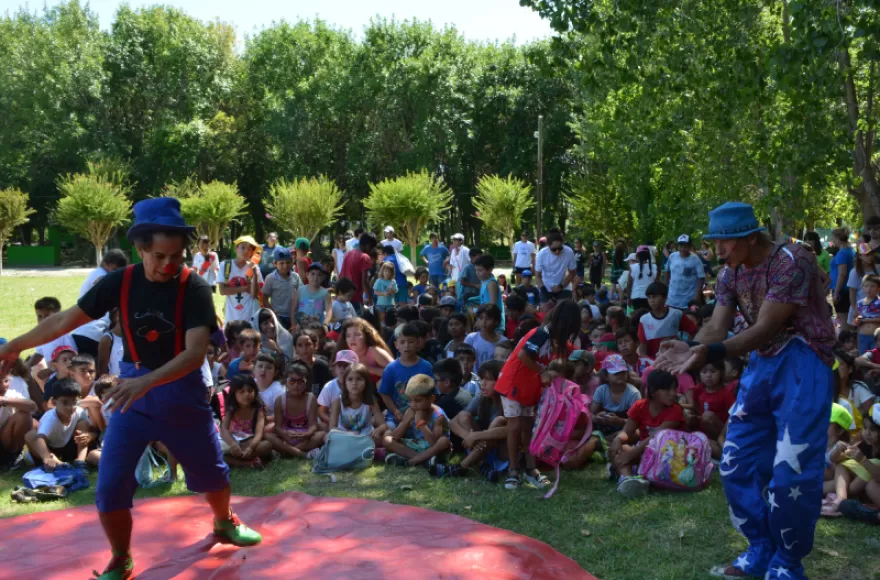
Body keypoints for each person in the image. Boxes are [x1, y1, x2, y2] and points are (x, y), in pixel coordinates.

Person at [655, 202, 835, 580]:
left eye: (725, 242)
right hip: (763, 365)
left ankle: (787, 562)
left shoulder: (791, 260)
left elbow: (766, 327)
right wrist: (689, 345)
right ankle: (760, 547)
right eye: (714, 242)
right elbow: (717, 328)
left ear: (752, 238)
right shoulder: (729, 274)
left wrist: (712, 351)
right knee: (736, 463)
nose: (717, 250)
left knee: (792, 472)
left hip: (805, 362)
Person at [494, 300, 580, 490]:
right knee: (515, 426)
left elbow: (575, 353)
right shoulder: (541, 334)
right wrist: (543, 373)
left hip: (528, 386)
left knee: (528, 426)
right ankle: (513, 470)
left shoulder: (554, 339)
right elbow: (523, 356)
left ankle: (531, 469)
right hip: (513, 383)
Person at [608, 369, 684, 498]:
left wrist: (631, 454)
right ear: (653, 391)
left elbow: (656, 437)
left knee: (625, 454)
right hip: (644, 452)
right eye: (667, 389)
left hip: (668, 455)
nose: (673, 394)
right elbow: (627, 431)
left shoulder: (675, 410)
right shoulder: (639, 406)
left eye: (674, 389)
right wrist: (618, 440)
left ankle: (623, 469)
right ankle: (628, 481)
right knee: (618, 449)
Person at [24, 377, 99, 471]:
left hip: (69, 446)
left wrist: (89, 436)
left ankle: (80, 461)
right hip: (49, 448)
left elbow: (94, 432)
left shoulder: (80, 412)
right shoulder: (50, 418)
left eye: (74, 402)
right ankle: (56, 463)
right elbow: (40, 438)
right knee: (30, 435)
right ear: (54, 402)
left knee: (82, 424)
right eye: (65, 402)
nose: (70, 407)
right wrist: (47, 457)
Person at [383, 374, 451, 467]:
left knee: (443, 441)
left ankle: (411, 461)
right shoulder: (410, 410)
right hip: (418, 445)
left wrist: (421, 423)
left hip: (435, 450)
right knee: (387, 439)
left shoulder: (438, 416)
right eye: (410, 400)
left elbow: (434, 443)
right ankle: (423, 460)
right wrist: (406, 421)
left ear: (431, 399)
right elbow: (395, 437)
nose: (413, 404)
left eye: (417, 401)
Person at [72, 250, 130, 357]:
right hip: (92, 330)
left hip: (85, 328)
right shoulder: (101, 275)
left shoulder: (99, 273)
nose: (116, 274)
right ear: (106, 264)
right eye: (114, 269)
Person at [378, 323, 434, 430]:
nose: (407, 346)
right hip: (396, 417)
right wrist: (395, 411)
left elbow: (432, 394)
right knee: (387, 438)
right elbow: (385, 394)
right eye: (402, 342)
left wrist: (420, 412)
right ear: (396, 345)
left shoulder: (426, 367)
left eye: (411, 341)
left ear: (418, 342)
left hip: (421, 415)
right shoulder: (391, 369)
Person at [219, 375, 273, 470]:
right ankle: (247, 463)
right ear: (234, 394)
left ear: (255, 392)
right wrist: (232, 444)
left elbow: (258, 434)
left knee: (267, 445)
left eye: (250, 391)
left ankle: (244, 459)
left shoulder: (258, 410)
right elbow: (224, 429)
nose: (246, 394)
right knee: (214, 452)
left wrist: (251, 448)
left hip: (250, 442)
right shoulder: (231, 409)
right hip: (234, 442)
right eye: (241, 392)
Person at [328, 362, 386, 444]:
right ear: (345, 383)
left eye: (359, 379)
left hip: (366, 436)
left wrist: (379, 429)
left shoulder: (371, 401)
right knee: (328, 437)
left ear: (366, 382)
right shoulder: (337, 401)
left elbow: (383, 425)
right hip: (345, 436)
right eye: (350, 379)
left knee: (387, 435)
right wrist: (348, 434)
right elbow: (332, 428)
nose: (354, 383)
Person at [638, 281, 698, 358]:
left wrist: (688, 348)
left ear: (665, 297)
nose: (651, 300)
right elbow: (642, 349)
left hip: (675, 360)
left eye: (655, 296)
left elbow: (693, 331)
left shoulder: (676, 314)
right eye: (649, 297)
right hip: (653, 363)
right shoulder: (644, 320)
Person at [590, 354, 642, 438]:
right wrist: (597, 418)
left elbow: (638, 422)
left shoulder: (633, 394)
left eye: (623, 372)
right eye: (616, 373)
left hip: (624, 428)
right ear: (606, 376)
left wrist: (620, 421)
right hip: (604, 427)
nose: (620, 376)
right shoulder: (601, 390)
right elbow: (591, 413)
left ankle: (603, 441)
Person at [218, 236, 263, 324]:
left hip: (249, 314)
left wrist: (254, 273)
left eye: (250, 249)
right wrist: (245, 288)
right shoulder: (226, 266)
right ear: (235, 249)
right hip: (231, 314)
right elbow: (222, 291)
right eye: (243, 247)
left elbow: (254, 295)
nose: (246, 251)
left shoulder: (254, 268)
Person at [335, 318, 393, 383]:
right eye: (348, 336)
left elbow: (395, 371)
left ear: (366, 336)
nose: (352, 339)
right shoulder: (345, 354)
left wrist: (368, 369)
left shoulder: (374, 351)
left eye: (357, 334)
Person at [0, 373, 38, 469]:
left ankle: (14, 456)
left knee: (26, 418)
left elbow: (32, 407)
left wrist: (4, 401)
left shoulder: (11, 394)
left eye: (5, 381)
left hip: (5, 439)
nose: (3, 385)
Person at [262, 247, 301, 332]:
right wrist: (272, 312)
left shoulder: (295, 277)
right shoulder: (270, 278)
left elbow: (300, 294)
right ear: (275, 264)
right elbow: (264, 298)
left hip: (294, 315)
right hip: (278, 316)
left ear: (292, 263)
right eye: (281, 263)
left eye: (288, 262)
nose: (285, 266)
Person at [316, 349, 358, 428]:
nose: (342, 369)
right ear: (335, 368)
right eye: (339, 365)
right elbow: (321, 412)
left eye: (346, 365)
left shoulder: (360, 386)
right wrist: (335, 422)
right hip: (333, 423)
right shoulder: (329, 387)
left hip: (357, 423)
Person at [664, 234, 706, 310]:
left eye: (685, 246)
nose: (682, 248)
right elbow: (667, 271)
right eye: (680, 246)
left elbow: (701, 278)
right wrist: (665, 287)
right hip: (672, 299)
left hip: (689, 300)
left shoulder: (695, 259)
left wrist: (697, 295)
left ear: (690, 246)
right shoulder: (672, 256)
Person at [535, 232, 577, 306]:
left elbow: (572, 273)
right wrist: (547, 295)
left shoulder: (569, 252)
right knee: (546, 313)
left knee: (562, 311)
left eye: (560, 248)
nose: (557, 251)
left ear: (563, 244)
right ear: (548, 246)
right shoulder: (541, 254)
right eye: (554, 249)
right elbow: (538, 277)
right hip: (546, 289)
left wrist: (561, 286)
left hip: (563, 287)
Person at [341, 232, 377, 313]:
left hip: (343, 296)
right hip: (355, 297)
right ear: (368, 245)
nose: (371, 251)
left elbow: (341, 275)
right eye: (372, 248)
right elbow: (364, 281)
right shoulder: (365, 257)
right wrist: (371, 302)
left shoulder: (348, 253)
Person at [848, 242, 880, 333]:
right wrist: (855, 309)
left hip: (876, 308)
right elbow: (852, 293)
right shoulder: (855, 272)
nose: (869, 257)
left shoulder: (878, 269)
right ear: (860, 256)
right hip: (861, 309)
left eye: (871, 254)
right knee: (860, 335)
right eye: (866, 255)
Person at [464, 305, 503, 374]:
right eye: (481, 318)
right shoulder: (471, 338)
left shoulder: (503, 341)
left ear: (496, 322)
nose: (484, 322)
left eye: (488, 319)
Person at [830, 227, 855, 331]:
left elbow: (842, 274)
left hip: (842, 291)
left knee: (843, 320)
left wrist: (836, 292)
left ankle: (846, 345)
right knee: (847, 319)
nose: (832, 240)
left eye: (833, 238)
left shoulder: (842, 253)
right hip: (848, 289)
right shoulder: (851, 250)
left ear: (837, 238)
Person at [293, 263, 332, 328]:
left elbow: (329, 311)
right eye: (312, 274)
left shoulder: (325, 294)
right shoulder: (300, 291)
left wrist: (325, 323)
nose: (315, 278)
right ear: (307, 275)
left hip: (318, 327)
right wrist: (293, 324)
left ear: (323, 277)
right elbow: (293, 309)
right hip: (302, 326)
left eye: (319, 275)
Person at [627, 245, 659, 310]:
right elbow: (657, 284)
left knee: (638, 317)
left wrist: (628, 298)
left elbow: (629, 284)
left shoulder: (632, 267)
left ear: (637, 256)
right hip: (650, 298)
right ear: (648, 256)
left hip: (636, 297)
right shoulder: (655, 267)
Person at [855, 274, 880, 354]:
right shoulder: (860, 303)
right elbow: (857, 319)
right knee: (862, 356)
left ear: (878, 288)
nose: (869, 289)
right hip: (863, 336)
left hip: (876, 337)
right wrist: (857, 321)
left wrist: (867, 320)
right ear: (863, 287)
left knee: (876, 358)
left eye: (872, 286)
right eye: (866, 286)